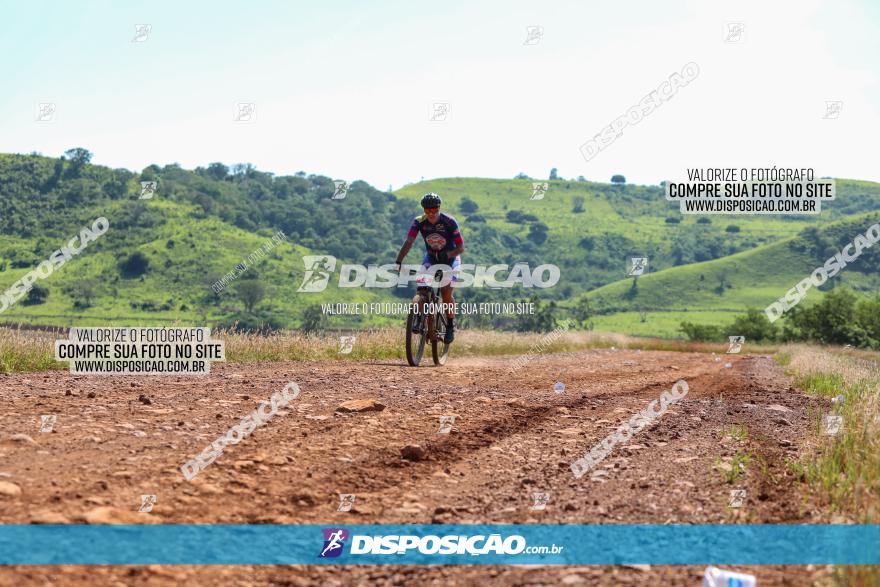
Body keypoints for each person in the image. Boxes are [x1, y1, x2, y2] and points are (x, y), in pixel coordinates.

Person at [394, 192, 464, 344]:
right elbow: (409, 241)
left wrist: (449, 254)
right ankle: (419, 318)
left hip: (451, 259)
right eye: (427, 210)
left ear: (439, 208)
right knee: (422, 288)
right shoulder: (419, 221)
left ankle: (450, 325)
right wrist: (398, 261)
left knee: (446, 292)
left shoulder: (449, 222)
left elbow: (461, 248)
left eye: (434, 210)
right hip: (431, 258)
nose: (431, 213)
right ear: (424, 210)